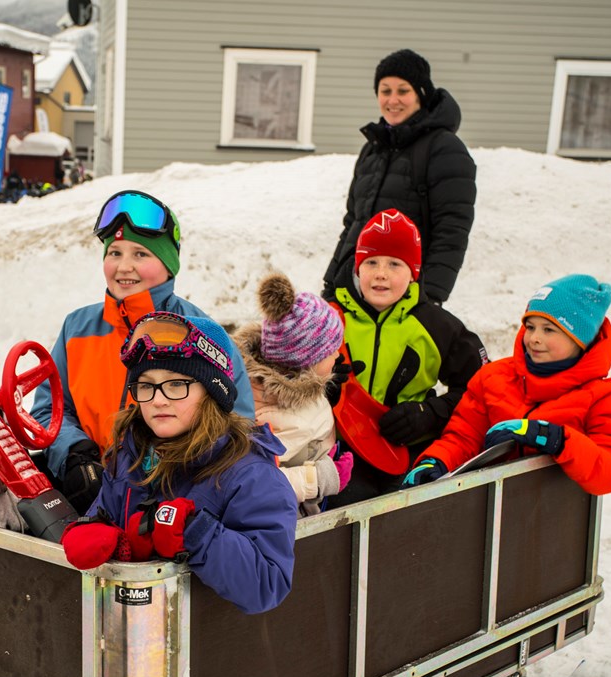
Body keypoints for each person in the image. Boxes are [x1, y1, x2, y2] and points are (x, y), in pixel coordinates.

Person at [30, 190, 255, 513]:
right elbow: (49, 410)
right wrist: (75, 454)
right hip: (90, 496)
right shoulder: (77, 328)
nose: (123, 267)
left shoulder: (202, 333)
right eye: (115, 252)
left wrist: (177, 479)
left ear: (168, 265)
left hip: (173, 508)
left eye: (140, 254)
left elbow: (238, 424)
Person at [59, 312, 297, 614]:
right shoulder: (129, 457)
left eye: (176, 384)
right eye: (146, 385)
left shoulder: (249, 475)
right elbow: (105, 514)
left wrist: (197, 533)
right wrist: (92, 530)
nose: (158, 399)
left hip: (201, 645)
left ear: (211, 392)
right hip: (131, 633)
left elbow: (268, 583)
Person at [404, 275, 611, 495]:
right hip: (485, 517)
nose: (534, 338)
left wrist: (556, 439)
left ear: (580, 340)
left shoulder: (605, 398)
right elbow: (463, 437)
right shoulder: (493, 377)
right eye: (530, 326)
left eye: (549, 330)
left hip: (554, 521)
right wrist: (435, 460)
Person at [326, 209, 487, 505]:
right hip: (339, 450)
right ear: (357, 268)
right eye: (371, 262)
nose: (381, 273)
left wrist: (430, 414)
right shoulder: (329, 318)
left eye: (394, 264)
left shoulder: (437, 326)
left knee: (402, 523)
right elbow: (286, 376)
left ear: (413, 272)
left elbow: (480, 390)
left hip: (409, 451)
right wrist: (322, 390)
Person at [323, 49, 476, 306]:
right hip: (360, 286)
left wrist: (430, 297)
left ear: (421, 94)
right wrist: (332, 284)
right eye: (385, 91)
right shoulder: (373, 149)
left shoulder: (444, 148)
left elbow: (452, 229)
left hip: (407, 292)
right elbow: (354, 223)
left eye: (403, 91)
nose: (393, 100)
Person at [233, 272, 353, 515]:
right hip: (287, 521)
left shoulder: (275, 389)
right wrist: (323, 477)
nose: (338, 356)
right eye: (331, 351)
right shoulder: (284, 417)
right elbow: (255, 484)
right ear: (306, 361)